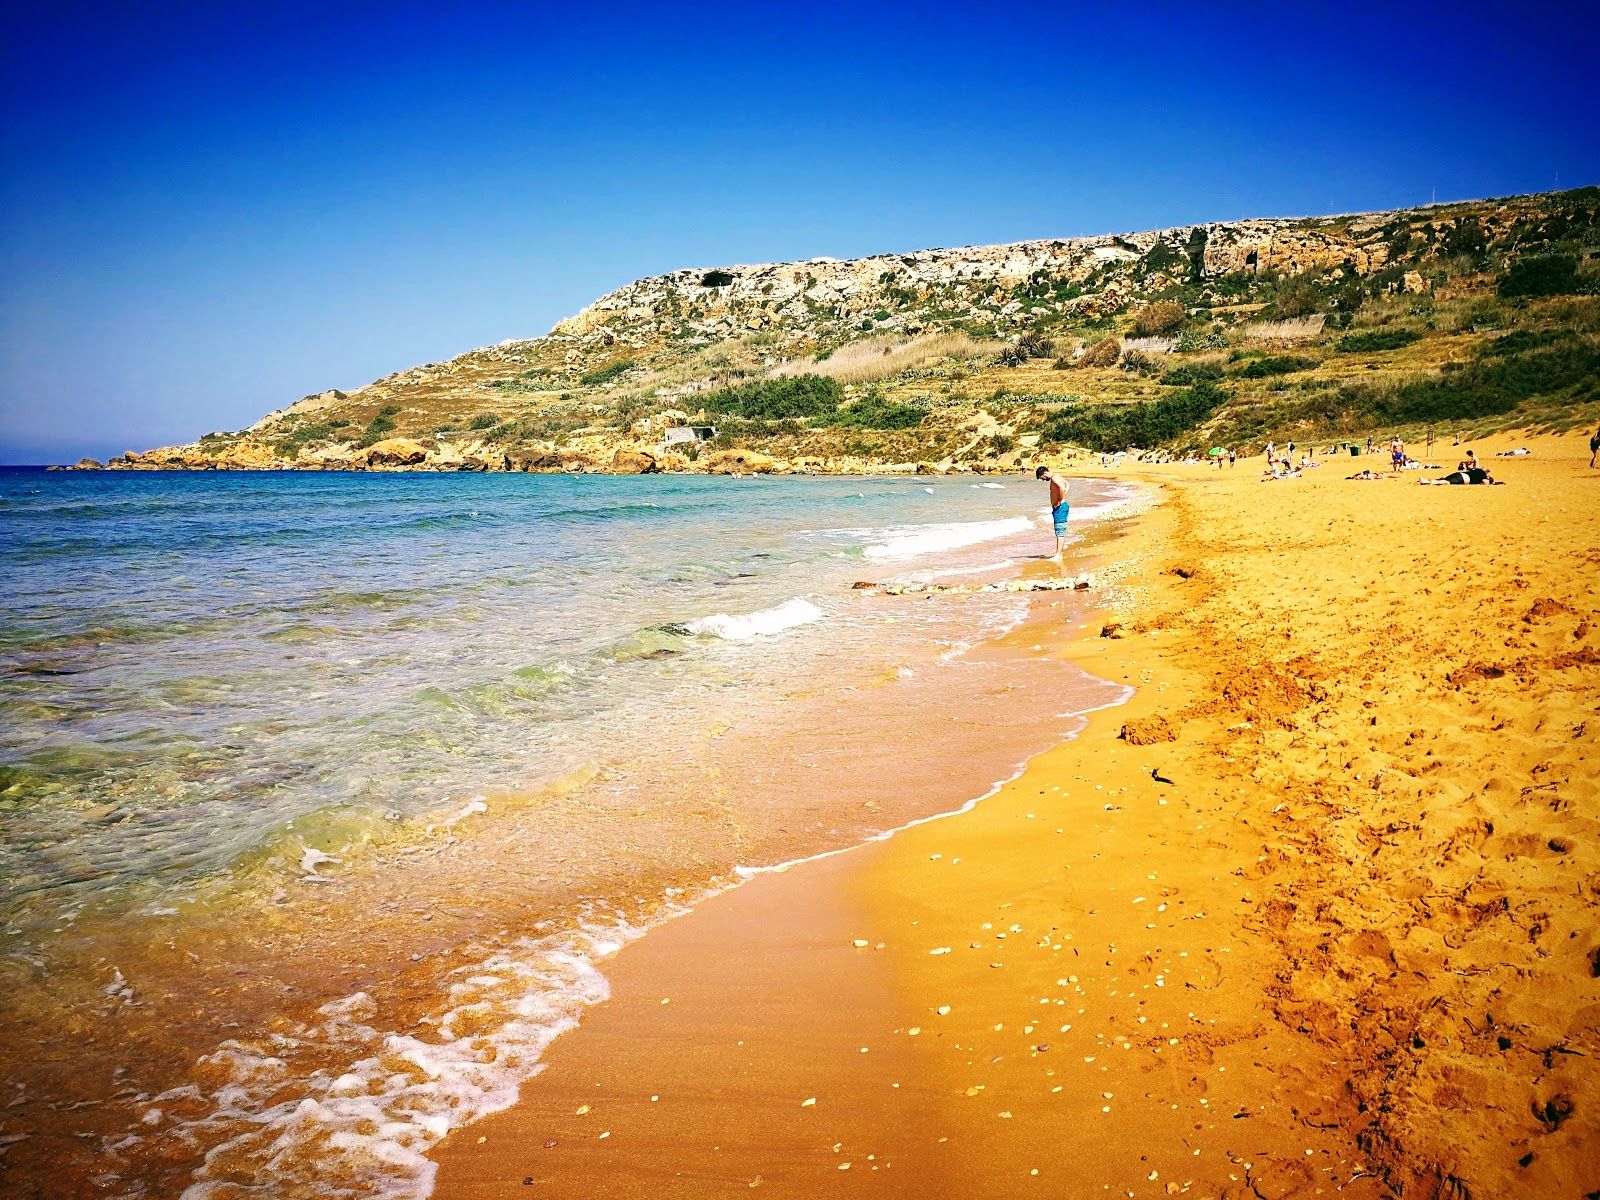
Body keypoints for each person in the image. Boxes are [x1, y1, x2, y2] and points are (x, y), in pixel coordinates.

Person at [1036, 465, 1069, 558]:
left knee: (1060, 532)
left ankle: (1058, 555)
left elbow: (1062, 487)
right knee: (1059, 531)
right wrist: (1062, 499)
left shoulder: (1054, 478)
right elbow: (1067, 485)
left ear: (1045, 473)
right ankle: (1059, 554)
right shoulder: (1057, 476)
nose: (1042, 480)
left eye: (1042, 478)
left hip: (1060, 508)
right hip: (1061, 507)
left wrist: (1059, 501)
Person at [1420, 466, 1497, 485]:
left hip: (1460, 473)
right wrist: (1492, 482)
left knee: (1445, 478)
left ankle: (1427, 480)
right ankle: (1430, 482)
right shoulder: (1482, 475)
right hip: (1464, 478)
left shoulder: (1477, 470)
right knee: (1447, 482)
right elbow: (1485, 483)